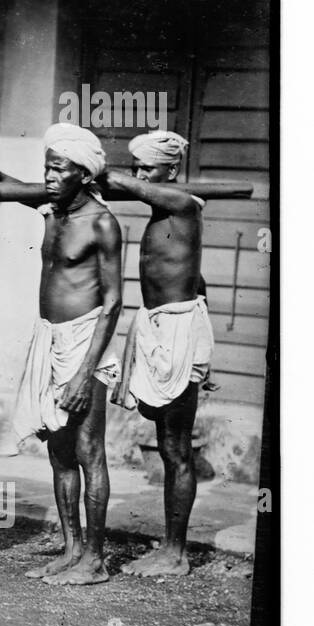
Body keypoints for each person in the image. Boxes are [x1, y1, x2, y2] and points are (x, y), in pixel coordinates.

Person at [0, 124, 123, 586]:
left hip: (85, 343)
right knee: (58, 450)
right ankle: (72, 551)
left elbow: (113, 302)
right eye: (47, 168)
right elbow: (6, 187)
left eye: (58, 169)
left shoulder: (102, 222)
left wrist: (84, 374)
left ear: (83, 174)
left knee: (89, 451)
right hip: (48, 338)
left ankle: (95, 560)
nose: (49, 177)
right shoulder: (52, 206)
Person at [101, 131, 213, 578]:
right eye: (137, 166)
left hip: (177, 330)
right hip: (157, 326)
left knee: (176, 447)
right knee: (166, 442)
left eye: (148, 167)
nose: (140, 174)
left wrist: (97, 173)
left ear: (172, 170)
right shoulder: (162, 215)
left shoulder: (183, 205)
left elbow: (124, 184)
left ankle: (176, 553)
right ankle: (170, 546)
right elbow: (197, 279)